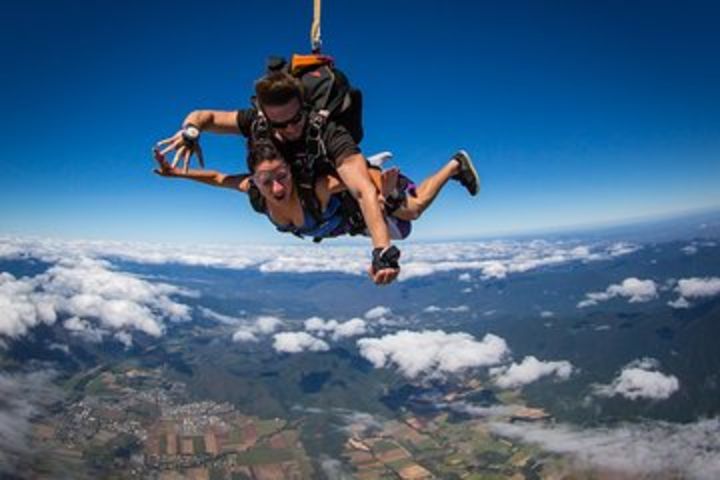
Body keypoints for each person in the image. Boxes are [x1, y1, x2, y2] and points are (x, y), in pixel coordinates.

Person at [156, 71, 408, 285]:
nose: (290, 128)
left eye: (296, 119)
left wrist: (382, 251)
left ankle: (387, 171)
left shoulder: (328, 133)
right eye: (280, 124)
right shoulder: (256, 126)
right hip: (303, 203)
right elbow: (205, 118)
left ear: (304, 107)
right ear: (265, 116)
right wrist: (190, 132)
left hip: (328, 192)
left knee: (411, 210)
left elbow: (362, 191)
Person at [152, 142, 479, 280]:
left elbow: (359, 180)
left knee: (414, 210)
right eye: (267, 182)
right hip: (347, 220)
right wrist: (176, 173)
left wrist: (382, 191)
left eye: (282, 177)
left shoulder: (314, 188)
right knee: (406, 225)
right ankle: (390, 193)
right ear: (255, 180)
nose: (277, 189)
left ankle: (454, 165)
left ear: (292, 173)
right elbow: (218, 178)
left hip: (363, 194)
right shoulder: (255, 191)